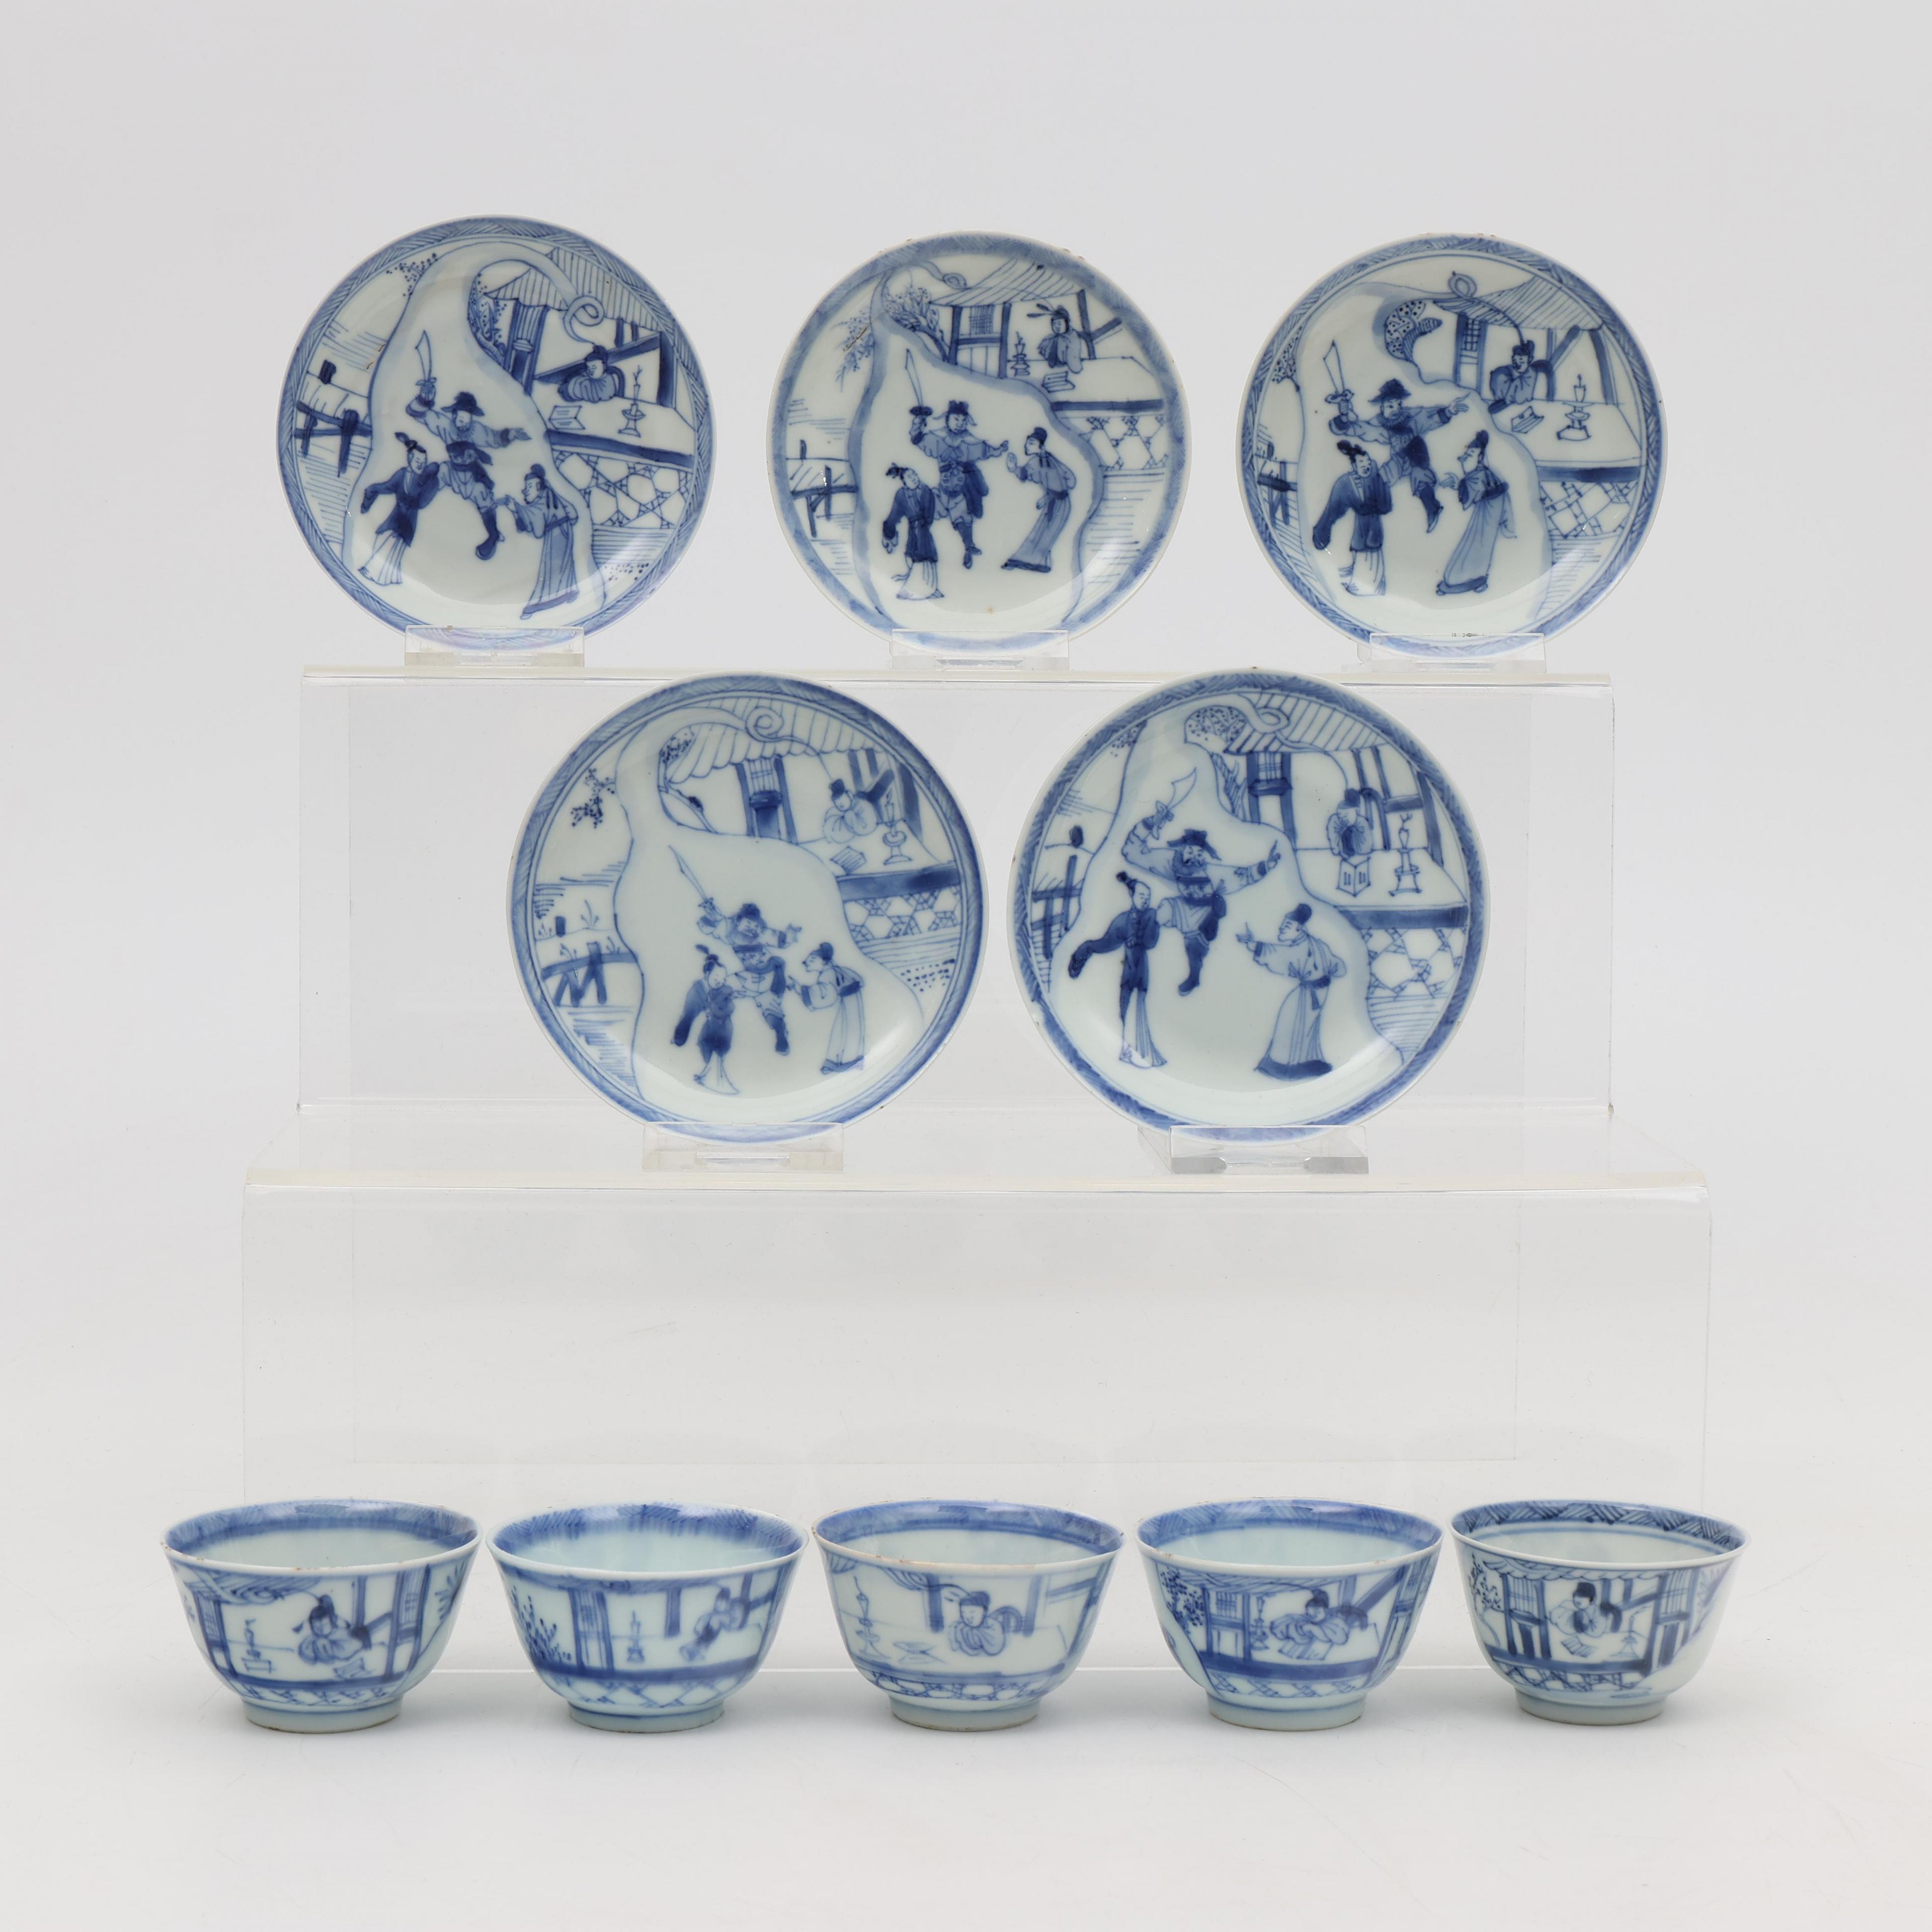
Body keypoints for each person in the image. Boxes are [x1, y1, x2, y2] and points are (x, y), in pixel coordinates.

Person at [1122, 804, 1281, 996]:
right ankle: (1143, 941)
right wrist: (1151, 822)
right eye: (1190, 852)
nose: (1194, 858)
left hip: (1202, 913)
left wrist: (1266, 867)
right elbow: (1133, 852)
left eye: (1199, 854)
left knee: (1195, 948)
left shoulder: (1210, 873)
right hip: (1180, 907)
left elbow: (1241, 876)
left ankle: (1194, 976)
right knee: (1162, 912)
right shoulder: (1170, 862)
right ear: (1182, 849)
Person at [406, 380, 530, 559]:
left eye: (466, 418)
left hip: (472, 475)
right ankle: (416, 503)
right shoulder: (445, 425)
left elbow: (496, 439)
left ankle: (493, 535)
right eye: (459, 417)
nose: (462, 422)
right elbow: (419, 414)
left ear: (472, 417)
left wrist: (511, 435)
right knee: (439, 473)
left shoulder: (477, 431)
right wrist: (424, 399)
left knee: (483, 496)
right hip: (451, 471)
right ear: (454, 415)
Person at [1327, 377, 1466, 533]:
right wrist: (1344, 417)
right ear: (1382, 408)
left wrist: (1449, 412)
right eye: (1390, 406)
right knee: (1381, 478)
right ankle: (1375, 508)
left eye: (1398, 405)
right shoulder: (1381, 426)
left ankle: (1433, 509)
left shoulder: (1411, 419)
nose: (1395, 409)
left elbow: (1430, 420)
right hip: (1398, 460)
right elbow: (1361, 430)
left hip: (1416, 456)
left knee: (1421, 478)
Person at [1067, 873, 1166, 1068]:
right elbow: (1108, 943)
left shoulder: (1151, 917)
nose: (1145, 900)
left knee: (1139, 1004)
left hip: (1141, 968)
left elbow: (1151, 942)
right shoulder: (1124, 920)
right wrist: (1087, 949)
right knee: (1125, 1005)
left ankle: (1143, 1053)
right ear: (1132, 896)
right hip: (1129, 968)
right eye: (1141, 896)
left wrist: (1151, 922)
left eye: (1148, 897)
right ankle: (1128, 1051)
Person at [1239, 905, 1347, 1080]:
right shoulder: (1317, 944)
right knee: (1305, 1029)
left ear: (1300, 928)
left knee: (1292, 1023)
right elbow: (1338, 967)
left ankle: (1288, 1066)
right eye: (1283, 925)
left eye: (1287, 926)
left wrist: (1254, 945)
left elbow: (1284, 955)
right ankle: (1303, 1063)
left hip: (1309, 993)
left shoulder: (1303, 947)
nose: (1281, 928)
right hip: (1317, 992)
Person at [909, 400, 1008, 569]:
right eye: (956, 419)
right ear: (947, 419)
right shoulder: (938, 439)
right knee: (925, 514)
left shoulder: (970, 442)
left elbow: (987, 451)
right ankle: (917, 547)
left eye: (963, 421)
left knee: (963, 519)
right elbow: (917, 439)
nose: (960, 424)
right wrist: (919, 421)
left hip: (959, 493)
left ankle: (969, 548)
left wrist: (1000, 449)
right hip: (942, 491)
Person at [697, 900, 799, 1056]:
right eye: (749, 924)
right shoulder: (732, 934)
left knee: (771, 1009)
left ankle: (781, 1035)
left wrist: (790, 936)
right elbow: (721, 923)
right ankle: (715, 1025)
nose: (752, 929)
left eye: (756, 926)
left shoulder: (762, 935)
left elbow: (780, 939)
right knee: (722, 986)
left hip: (767, 977)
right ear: (738, 921)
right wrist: (711, 911)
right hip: (747, 979)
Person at [1310, 441, 1395, 597]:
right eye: (1361, 463)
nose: (1366, 466)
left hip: (1374, 525)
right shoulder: (1348, 482)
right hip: (1361, 526)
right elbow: (1335, 507)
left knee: (1373, 554)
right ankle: (1360, 584)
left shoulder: (1377, 478)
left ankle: (1373, 587)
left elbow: (1386, 505)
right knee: (1360, 550)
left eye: (1368, 462)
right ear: (1355, 466)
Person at [1436, 430, 1514, 596]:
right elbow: (1472, 490)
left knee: (1479, 545)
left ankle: (1471, 580)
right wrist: (1459, 485)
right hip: (1486, 513)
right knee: (1477, 544)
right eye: (1467, 453)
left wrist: (1459, 484)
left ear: (1480, 457)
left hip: (1489, 514)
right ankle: (1469, 579)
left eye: (1471, 454)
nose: (1466, 457)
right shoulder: (1481, 474)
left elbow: (1473, 491)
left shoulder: (1482, 474)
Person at [358, 433, 442, 586]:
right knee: (383, 536)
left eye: (424, 462)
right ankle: (375, 571)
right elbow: (387, 487)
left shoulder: (426, 480)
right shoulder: (402, 474)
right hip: (397, 514)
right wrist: (373, 489)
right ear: (410, 459)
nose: (421, 465)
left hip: (409, 519)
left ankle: (383, 576)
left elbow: (423, 502)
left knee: (396, 545)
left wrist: (431, 480)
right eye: (418, 461)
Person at [501, 463, 581, 616]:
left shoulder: (545, 498)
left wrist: (516, 508)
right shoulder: (549, 496)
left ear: (539, 486)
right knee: (563, 565)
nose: (525, 490)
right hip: (562, 531)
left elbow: (536, 514)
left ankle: (547, 600)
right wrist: (516, 509)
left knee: (552, 567)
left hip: (557, 534)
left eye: (530, 487)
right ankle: (568, 591)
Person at [1002, 427, 1077, 572]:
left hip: (1059, 504)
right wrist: (1014, 468)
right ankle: (1036, 562)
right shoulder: (1041, 460)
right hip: (1057, 503)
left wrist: (1014, 468)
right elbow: (1070, 480)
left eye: (1031, 443)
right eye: (1027, 443)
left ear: (1041, 447)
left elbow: (1068, 479)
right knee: (1042, 533)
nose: (1026, 446)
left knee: (1046, 534)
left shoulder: (1044, 460)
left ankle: (1036, 562)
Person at [790, 941, 867, 1073]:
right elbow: (859, 980)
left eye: (812, 960)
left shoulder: (827, 975)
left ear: (825, 961)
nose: (807, 963)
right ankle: (847, 1061)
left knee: (844, 1031)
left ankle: (842, 1063)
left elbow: (825, 997)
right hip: (851, 1005)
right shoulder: (839, 971)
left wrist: (800, 989)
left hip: (846, 1008)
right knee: (849, 1030)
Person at [672, 948, 741, 1093]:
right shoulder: (699, 989)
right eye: (716, 977)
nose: (719, 981)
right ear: (707, 974)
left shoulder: (722, 992)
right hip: (702, 1005)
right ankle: (679, 1038)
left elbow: (725, 1008)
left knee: (715, 1048)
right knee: (688, 1017)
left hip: (718, 1028)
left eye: (723, 979)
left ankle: (710, 1076)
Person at [879, 462, 942, 600]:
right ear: (904, 481)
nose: (913, 478)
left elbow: (930, 513)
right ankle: (918, 588)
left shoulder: (926, 490)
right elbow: (894, 515)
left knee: (926, 554)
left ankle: (930, 587)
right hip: (914, 529)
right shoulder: (902, 495)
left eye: (914, 475)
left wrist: (924, 524)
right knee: (914, 554)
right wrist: (889, 531)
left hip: (924, 529)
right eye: (909, 477)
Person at [1268, 1588, 1364, 1662]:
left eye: (1317, 1612)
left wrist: (1313, 1629)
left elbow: (1341, 1639)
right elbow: (1282, 1629)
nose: (1313, 1616)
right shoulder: (1303, 1620)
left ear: (1326, 1610)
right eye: (1309, 1613)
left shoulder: (1336, 1622)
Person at [295, 1594, 371, 1667]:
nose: (321, 1629)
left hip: (342, 1650)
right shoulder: (313, 1639)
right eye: (316, 1626)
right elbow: (306, 1652)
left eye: (325, 1624)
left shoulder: (338, 1632)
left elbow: (352, 1638)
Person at [680, 1585, 749, 1661]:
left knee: (703, 1644)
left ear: (728, 1604)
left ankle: (698, 1652)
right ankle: (693, 1651)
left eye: (722, 1602)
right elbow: (704, 1620)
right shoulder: (712, 1615)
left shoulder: (726, 1616)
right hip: (705, 1635)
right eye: (717, 1601)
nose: (719, 1604)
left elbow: (731, 1626)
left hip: (711, 1637)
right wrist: (700, 1626)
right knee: (695, 1644)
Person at [947, 1590, 1024, 1657]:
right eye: (963, 1613)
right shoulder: (961, 1628)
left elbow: (994, 1649)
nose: (967, 1617)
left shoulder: (993, 1627)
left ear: (984, 1611)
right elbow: (955, 1647)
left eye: (972, 1612)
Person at [1487, 338, 1547, 417]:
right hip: (1506, 398)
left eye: (1522, 362)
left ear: (1530, 360)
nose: (1518, 365)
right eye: (1515, 362)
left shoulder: (1528, 374)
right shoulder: (1514, 376)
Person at [1036, 306, 1087, 388]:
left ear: (1067, 323)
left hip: (1072, 374)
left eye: (1059, 324)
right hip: (1055, 372)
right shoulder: (1052, 339)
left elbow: (1075, 365)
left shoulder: (1073, 338)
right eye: (1054, 324)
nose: (1057, 327)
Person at [559, 344, 625, 405]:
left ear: (604, 365)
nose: (591, 370)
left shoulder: (609, 378)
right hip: (569, 392)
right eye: (588, 368)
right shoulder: (584, 380)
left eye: (594, 367)